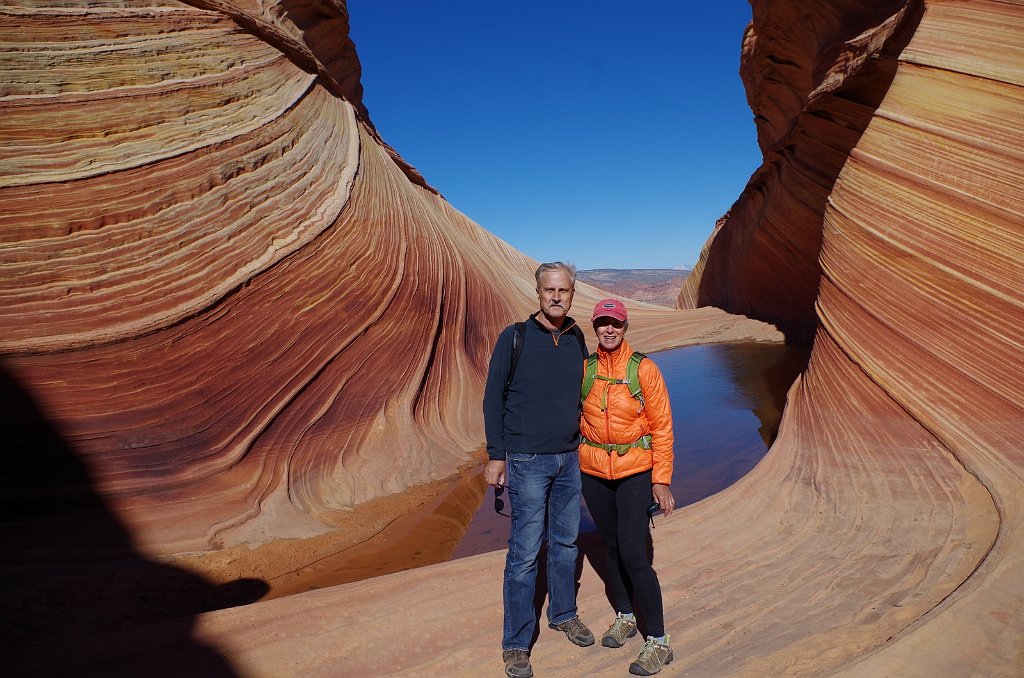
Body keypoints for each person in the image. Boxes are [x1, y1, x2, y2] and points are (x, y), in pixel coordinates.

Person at [482, 262, 595, 678]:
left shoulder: (576, 336)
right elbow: (494, 397)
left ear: (572, 293)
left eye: (563, 290)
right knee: (525, 553)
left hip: (569, 458)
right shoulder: (514, 337)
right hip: (527, 459)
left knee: (565, 544)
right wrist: (497, 455)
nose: (556, 297)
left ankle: (563, 614)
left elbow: (581, 394)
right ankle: (516, 644)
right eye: (549, 290)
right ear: (537, 292)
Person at [579, 298, 676, 676]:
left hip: (635, 471)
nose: (609, 329)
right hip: (593, 473)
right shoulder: (586, 369)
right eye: (603, 322)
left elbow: (662, 427)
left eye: (615, 323)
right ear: (595, 326)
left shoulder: (644, 370)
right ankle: (625, 615)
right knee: (612, 548)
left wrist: (662, 480)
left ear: (625, 326)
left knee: (635, 555)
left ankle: (659, 641)